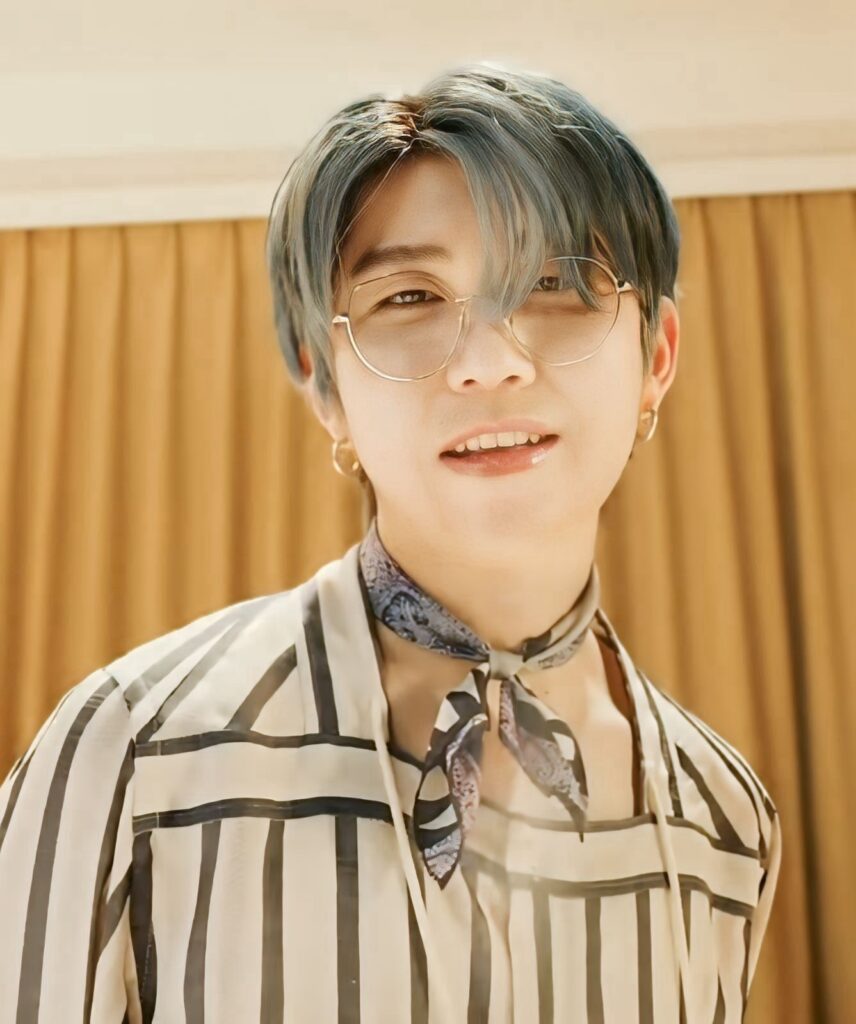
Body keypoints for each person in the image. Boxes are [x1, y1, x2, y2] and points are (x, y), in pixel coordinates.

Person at [0, 63, 781, 1023]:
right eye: (410, 299)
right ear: (325, 384)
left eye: (553, 282)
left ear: (657, 358)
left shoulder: (724, 819)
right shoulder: (136, 753)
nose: (490, 363)